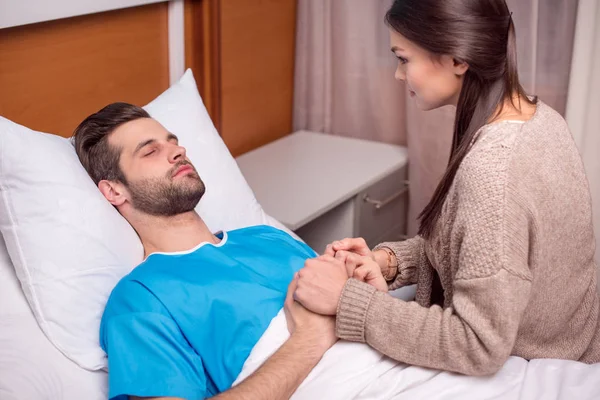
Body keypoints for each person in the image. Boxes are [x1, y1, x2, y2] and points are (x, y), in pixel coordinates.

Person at [293, 0, 600, 376]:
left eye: (404, 59)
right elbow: (485, 252)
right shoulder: (537, 116)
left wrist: (347, 301)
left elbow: (477, 344)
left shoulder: (493, 171)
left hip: (543, 364)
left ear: (458, 59)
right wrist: (389, 263)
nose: (398, 75)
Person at [72, 102, 342, 400]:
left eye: (172, 142)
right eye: (150, 151)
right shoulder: (140, 298)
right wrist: (308, 340)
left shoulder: (266, 236)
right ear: (114, 191)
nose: (177, 152)